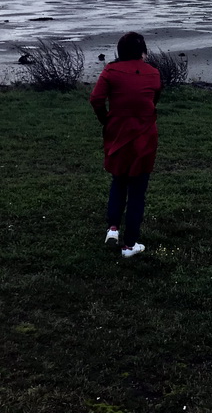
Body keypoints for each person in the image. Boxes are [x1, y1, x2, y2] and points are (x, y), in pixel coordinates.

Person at [89, 32, 161, 258]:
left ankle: (113, 229)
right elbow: (153, 99)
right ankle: (130, 245)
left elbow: (96, 99)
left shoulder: (110, 71)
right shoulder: (154, 73)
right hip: (144, 135)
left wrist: (106, 119)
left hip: (118, 133)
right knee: (138, 189)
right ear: (143, 51)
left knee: (118, 180)